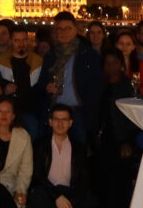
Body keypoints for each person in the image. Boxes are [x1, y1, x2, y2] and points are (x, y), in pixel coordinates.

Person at [28, 104, 89, 208]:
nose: (60, 123)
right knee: (37, 194)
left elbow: (83, 179)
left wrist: (72, 197)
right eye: (56, 119)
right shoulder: (40, 145)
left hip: (68, 192)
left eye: (64, 119)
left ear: (71, 123)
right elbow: (37, 176)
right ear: (50, 122)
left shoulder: (79, 148)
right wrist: (57, 196)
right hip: (47, 190)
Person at [40, 11, 104, 145]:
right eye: (59, 29)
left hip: (78, 114)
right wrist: (46, 87)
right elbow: (42, 82)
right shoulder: (51, 55)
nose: (63, 32)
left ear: (76, 30)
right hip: (55, 112)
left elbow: (98, 87)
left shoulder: (88, 55)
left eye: (67, 28)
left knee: (79, 154)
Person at [95, 50, 139, 208]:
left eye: (114, 62)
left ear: (122, 65)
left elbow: (134, 117)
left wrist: (128, 142)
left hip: (123, 139)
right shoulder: (102, 85)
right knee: (105, 180)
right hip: (105, 139)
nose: (110, 66)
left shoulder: (128, 87)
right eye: (107, 63)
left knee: (118, 183)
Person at [0, 26, 43, 139]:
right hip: (10, 110)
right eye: (17, 40)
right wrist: (4, 90)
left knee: (32, 138)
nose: (21, 43)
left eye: (24, 40)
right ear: (11, 41)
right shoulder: (1, 62)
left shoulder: (38, 61)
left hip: (31, 109)